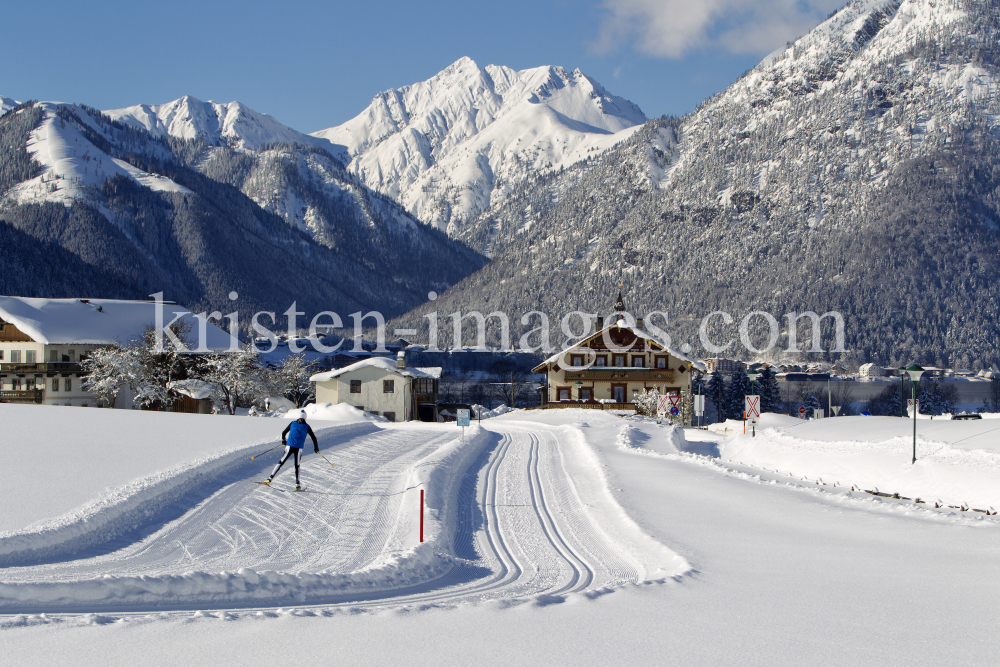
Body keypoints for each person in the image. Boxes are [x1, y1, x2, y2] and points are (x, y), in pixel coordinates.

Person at [263, 410, 319, 490]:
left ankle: (269, 478)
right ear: (305, 417)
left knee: (281, 462)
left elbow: (283, 433)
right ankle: (297, 484)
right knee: (297, 466)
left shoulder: (292, 423)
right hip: (299, 448)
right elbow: (314, 438)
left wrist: (284, 441)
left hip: (289, 446)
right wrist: (316, 448)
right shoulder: (307, 426)